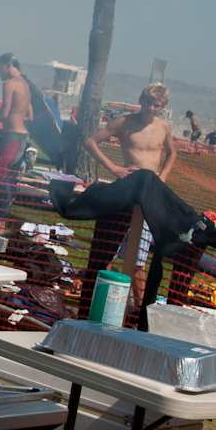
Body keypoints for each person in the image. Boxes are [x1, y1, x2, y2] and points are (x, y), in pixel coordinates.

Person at [78, 84, 178, 311]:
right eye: (148, 103)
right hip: (127, 188)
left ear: (162, 107)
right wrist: (113, 168)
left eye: (157, 105)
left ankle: (140, 308)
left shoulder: (164, 127)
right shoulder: (124, 122)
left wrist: (163, 176)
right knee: (108, 250)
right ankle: (101, 301)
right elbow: (91, 142)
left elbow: (172, 153)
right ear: (141, 101)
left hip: (150, 192)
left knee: (138, 259)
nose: (151, 108)